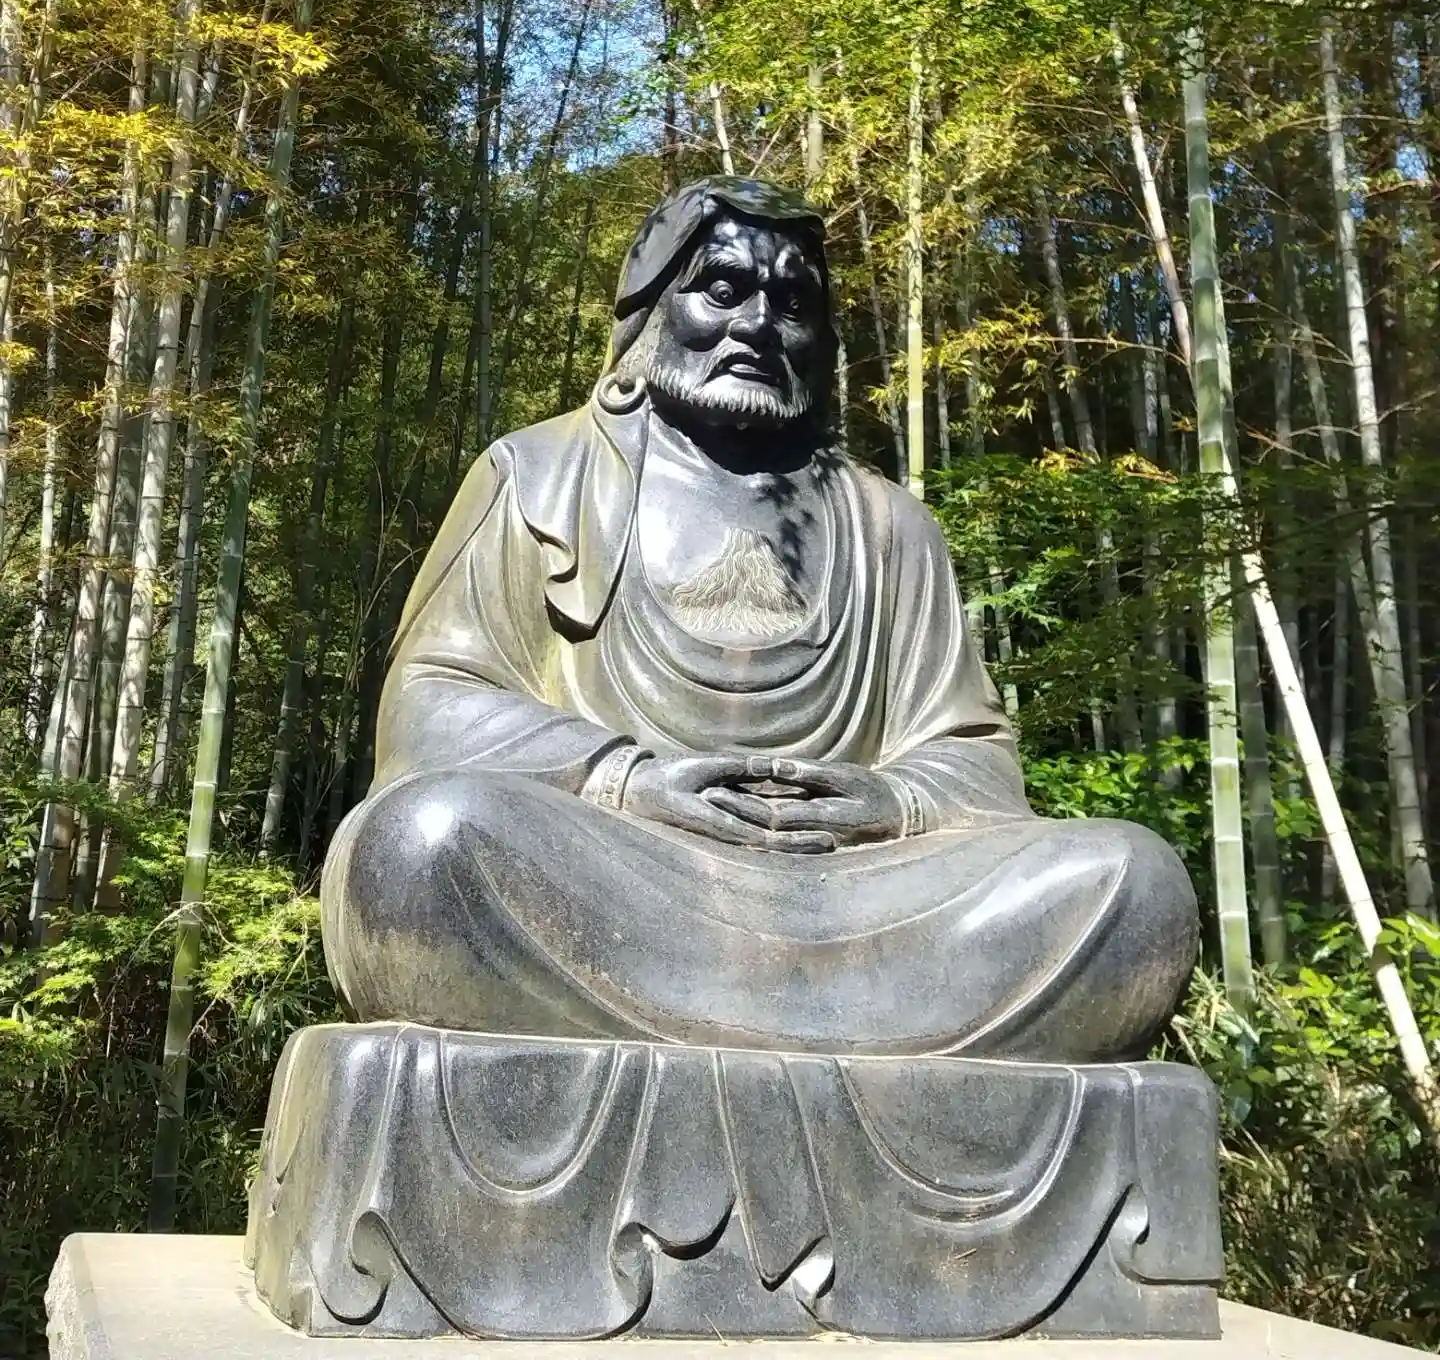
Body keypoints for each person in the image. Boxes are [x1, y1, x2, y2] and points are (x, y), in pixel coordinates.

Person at [321, 175, 1197, 1061]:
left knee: (1133, 883)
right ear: (653, 308)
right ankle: (855, 1033)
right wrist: (625, 780)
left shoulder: (888, 525)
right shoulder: (541, 475)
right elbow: (429, 706)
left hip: (850, 891)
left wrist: (895, 801)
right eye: (722, 288)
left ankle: (729, 1019)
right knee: (425, 842)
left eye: (793, 303)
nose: (758, 325)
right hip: (618, 871)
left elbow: (971, 756)